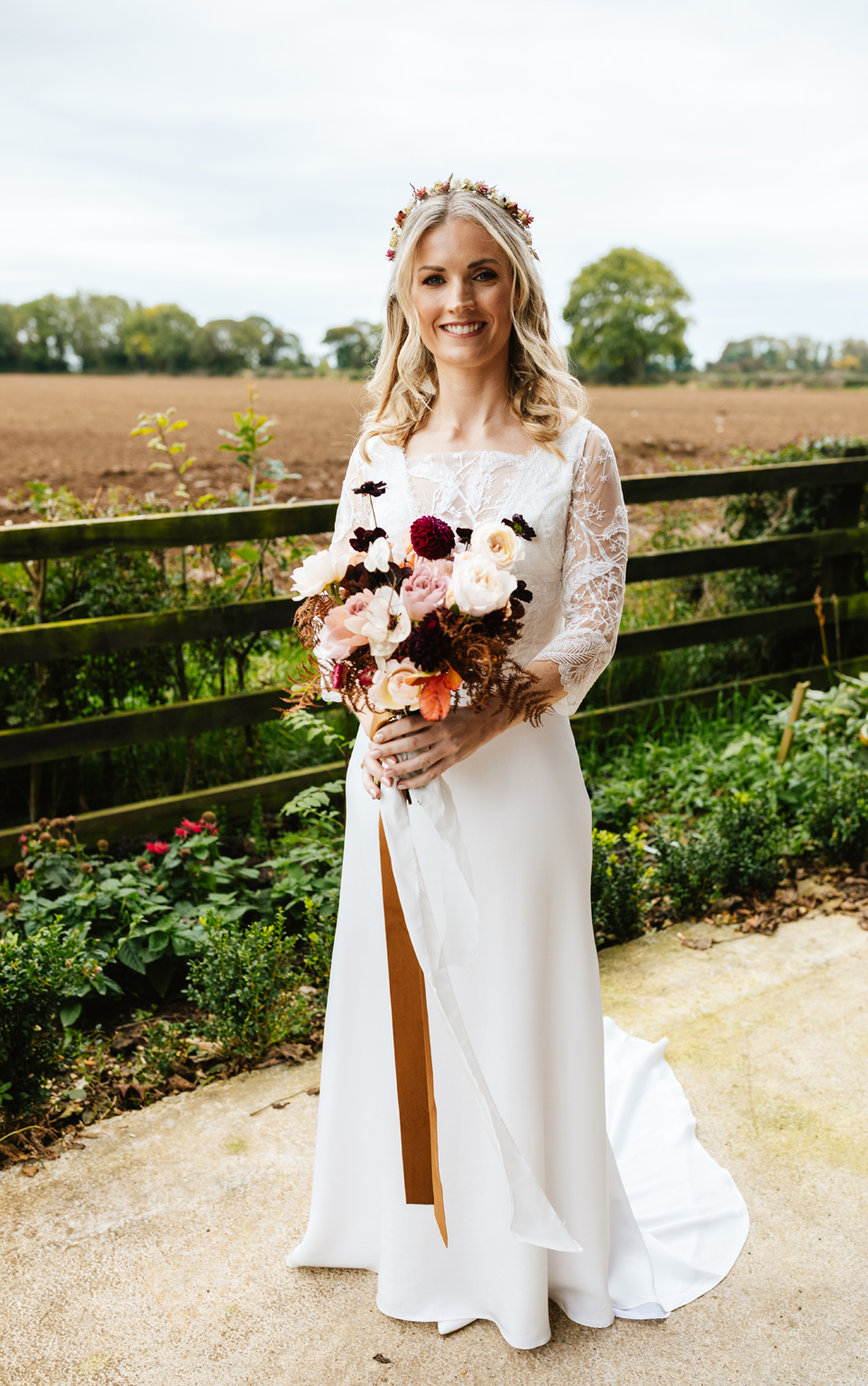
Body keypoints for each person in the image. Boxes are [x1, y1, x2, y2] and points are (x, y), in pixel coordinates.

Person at [286, 177, 748, 1350]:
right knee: (416, 1003)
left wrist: (479, 720)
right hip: (397, 773)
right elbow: (343, 602)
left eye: (480, 274)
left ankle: (529, 1256)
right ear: (407, 296)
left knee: (514, 991)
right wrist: (372, 703)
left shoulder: (574, 449)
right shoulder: (381, 444)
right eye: (434, 278)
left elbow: (591, 626)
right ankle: (425, 1232)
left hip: (519, 773)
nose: (459, 301)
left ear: (518, 287)